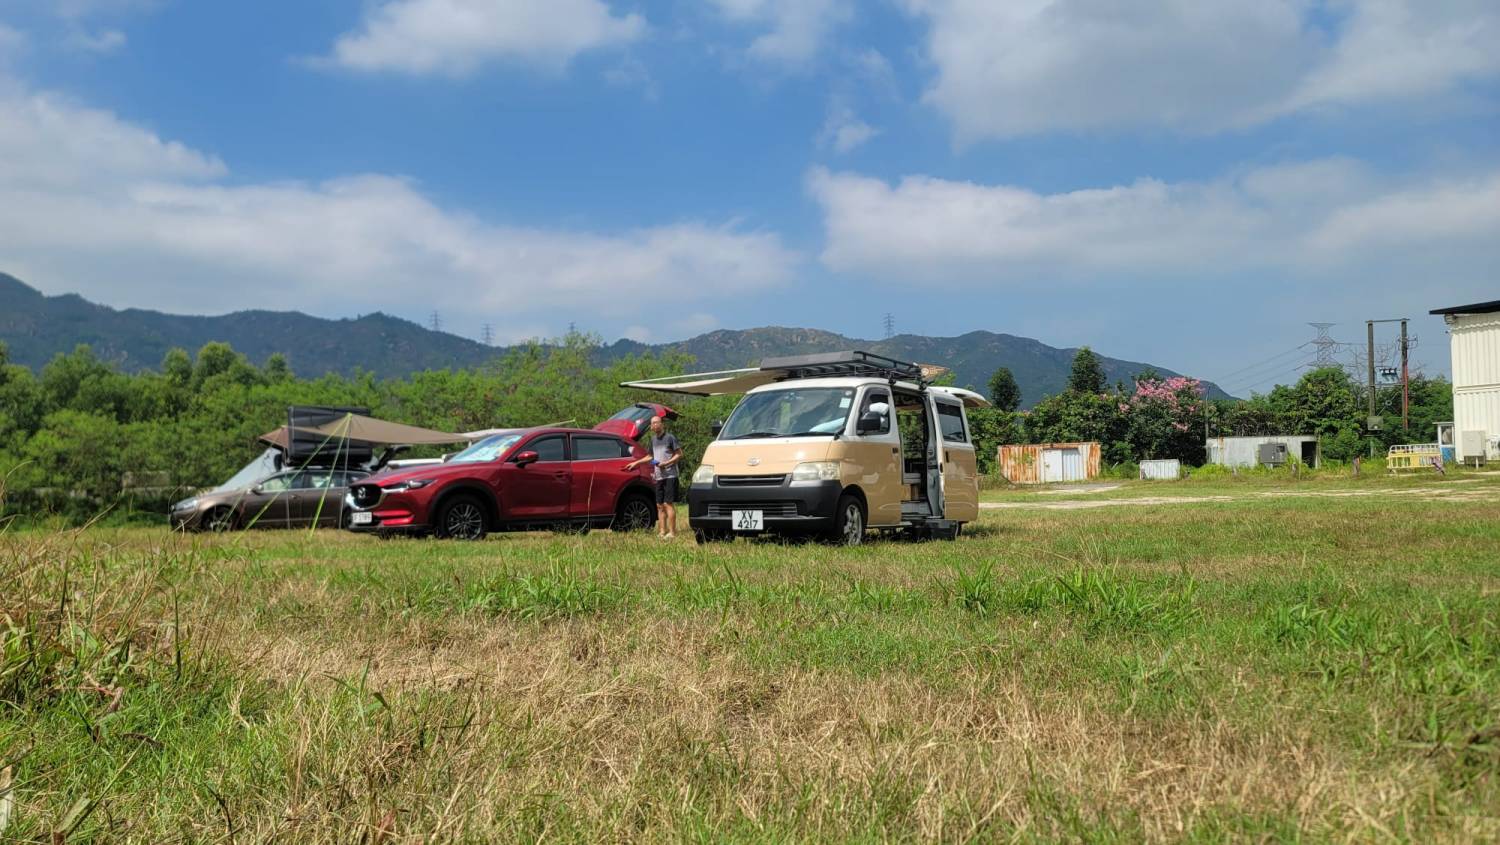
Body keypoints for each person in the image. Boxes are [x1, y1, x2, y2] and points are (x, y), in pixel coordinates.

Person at [625, 415, 683, 539]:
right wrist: (636, 463)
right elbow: (651, 457)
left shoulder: (670, 438)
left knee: (668, 504)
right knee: (659, 505)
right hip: (658, 476)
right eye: (652, 423)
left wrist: (666, 463)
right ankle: (662, 531)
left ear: (662, 424)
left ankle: (672, 533)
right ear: (651, 427)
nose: (655, 425)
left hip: (670, 475)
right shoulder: (652, 440)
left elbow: (679, 454)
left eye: (657, 422)